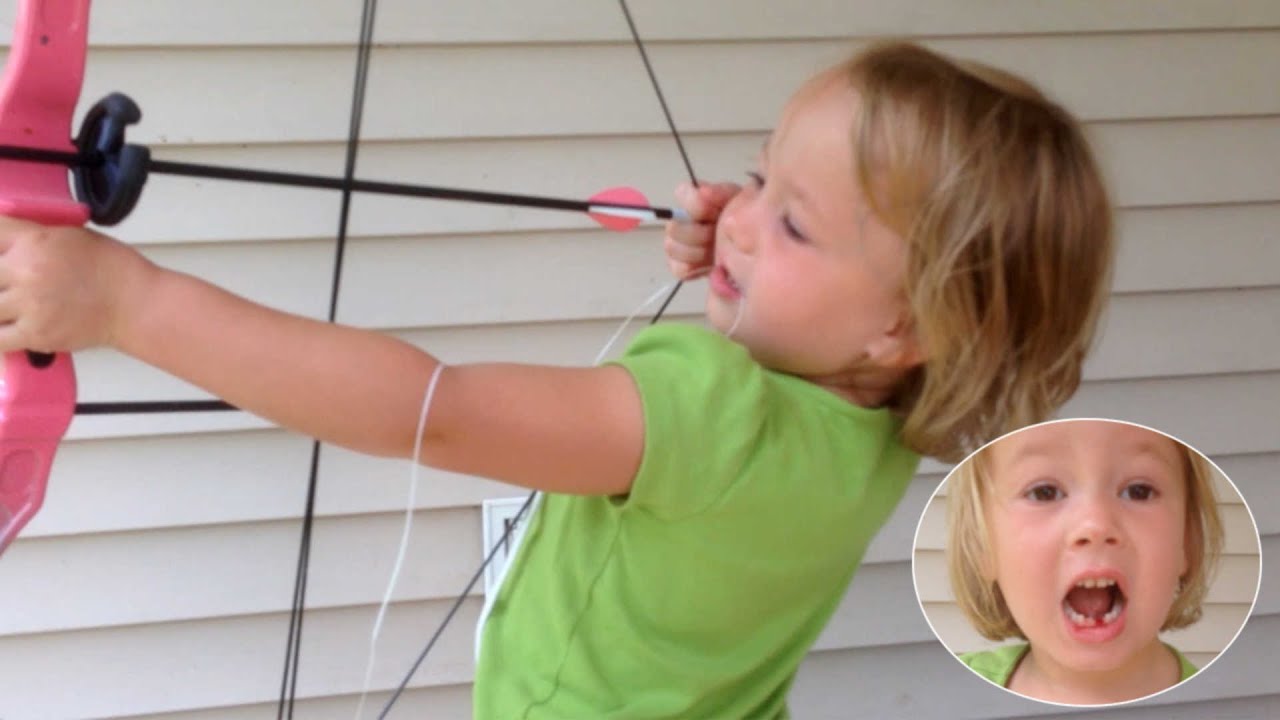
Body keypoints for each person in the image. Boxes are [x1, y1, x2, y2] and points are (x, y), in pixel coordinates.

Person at [0, 42, 1113, 716]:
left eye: (793, 221)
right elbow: (788, 380)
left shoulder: (706, 406)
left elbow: (425, 409)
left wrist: (128, 304)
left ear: (901, 328)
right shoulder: (872, 423)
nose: (737, 215)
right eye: (757, 174)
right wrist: (747, 269)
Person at [946, 419, 1224, 705]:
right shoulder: (947, 695)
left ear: (1186, 541)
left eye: (1139, 491)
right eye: (1044, 492)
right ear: (984, 545)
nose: (1095, 525)